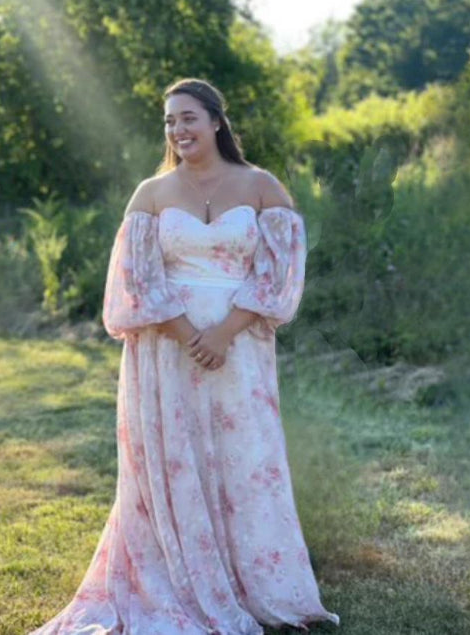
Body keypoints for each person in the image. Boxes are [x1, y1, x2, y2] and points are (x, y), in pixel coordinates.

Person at [30, 77, 340, 634]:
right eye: (170, 121)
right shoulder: (150, 194)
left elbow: (278, 275)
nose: (178, 130)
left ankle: (256, 581)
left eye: (188, 117)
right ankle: (176, 580)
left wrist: (224, 332)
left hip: (240, 348)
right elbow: (137, 281)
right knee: (177, 462)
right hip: (165, 353)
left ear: (216, 121)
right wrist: (184, 332)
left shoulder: (262, 186)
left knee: (244, 458)